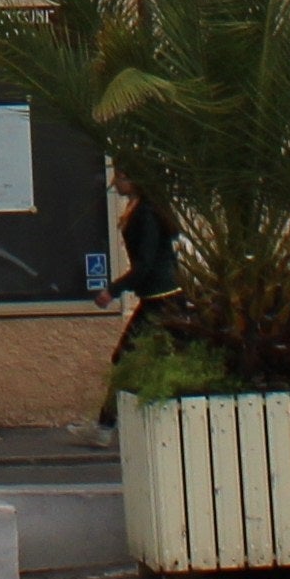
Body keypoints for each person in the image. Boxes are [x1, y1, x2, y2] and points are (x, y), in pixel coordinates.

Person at [93, 169, 180, 431]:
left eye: (119, 177)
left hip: (162, 299)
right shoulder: (140, 209)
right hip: (157, 297)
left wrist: (113, 290)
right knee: (142, 357)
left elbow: (144, 264)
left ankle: (106, 426)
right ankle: (107, 424)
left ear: (133, 179)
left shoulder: (146, 214)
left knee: (128, 357)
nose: (114, 183)